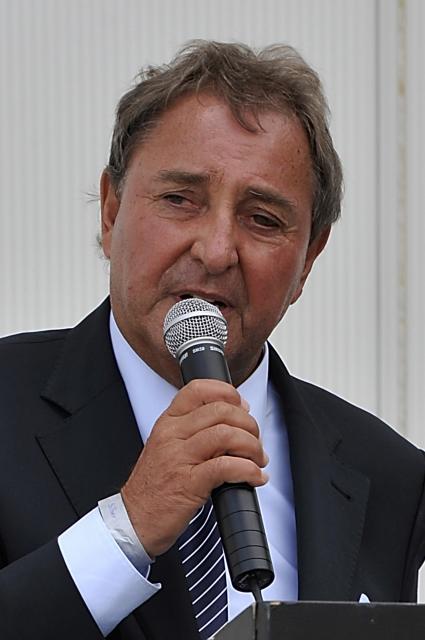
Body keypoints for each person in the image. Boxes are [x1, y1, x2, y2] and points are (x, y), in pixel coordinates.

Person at [0, 40, 424, 640]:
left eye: (263, 219)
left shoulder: (389, 476)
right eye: (180, 200)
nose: (217, 250)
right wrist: (126, 530)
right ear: (111, 211)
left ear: (309, 258)